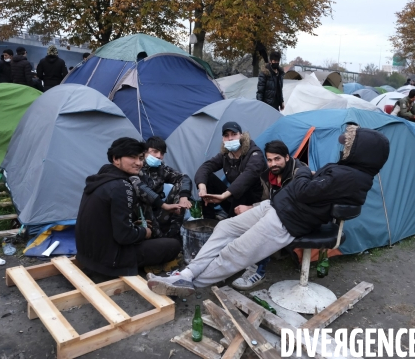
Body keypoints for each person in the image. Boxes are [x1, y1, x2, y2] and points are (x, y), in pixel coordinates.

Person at [146, 125, 390, 297]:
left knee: (235, 252)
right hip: (275, 206)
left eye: (348, 146)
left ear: (361, 151)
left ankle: (191, 283)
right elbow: (307, 189)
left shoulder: (350, 176)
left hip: (287, 220)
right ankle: (186, 273)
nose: (343, 149)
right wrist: (302, 182)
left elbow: (303, 190)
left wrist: (302, 174)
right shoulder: (348, 172)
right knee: (225, 226)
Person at [75, 138, 181, 277]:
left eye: (140, 158)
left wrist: (134, 226)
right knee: (173, 245)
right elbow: (124, 236)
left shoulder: (101, 177)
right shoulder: (122, 186)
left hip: (86, 255)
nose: (138, 163)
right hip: (109, 261)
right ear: (116, 159)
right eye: (132, 157)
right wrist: (144, 232)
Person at [231, 140, 307, 290]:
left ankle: (259, 271)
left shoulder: (299, 173)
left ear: (286, 157)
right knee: (249, 219)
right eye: (270, 160)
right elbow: (267, 200)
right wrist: (251, 210)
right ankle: (245, 259)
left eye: (277, 159)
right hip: (280, 213)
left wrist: (252, 208)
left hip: (300, 216)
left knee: (266, 225)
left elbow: (290, 203)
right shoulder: (267, 175)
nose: (273, 164)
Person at [195, 121, 266, 219]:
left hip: (253, 203)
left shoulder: (254, 153)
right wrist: (202, 189)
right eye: (226, 135)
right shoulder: (225, 155)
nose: (230, 138)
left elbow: (248, 176)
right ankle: (209, 221)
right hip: (233, 197)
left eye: (234, 134)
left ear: (241, 136)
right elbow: (205, 167)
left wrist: (224, 196)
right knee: (208, 178)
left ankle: (230, 220)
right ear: (223, 139)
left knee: (242, 188)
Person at [137, 136, 192, 239]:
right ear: (145, 152)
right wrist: (164, 205)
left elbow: (184, 178)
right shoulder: (136, 167)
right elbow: (142, 190)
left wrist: (184, 197)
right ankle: (159, 238)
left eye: (162, 153)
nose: (159, 156)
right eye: (155, 151)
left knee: (180, 189)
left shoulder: (161, 168)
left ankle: (174, 235)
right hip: (142, 215)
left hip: (160, 211)